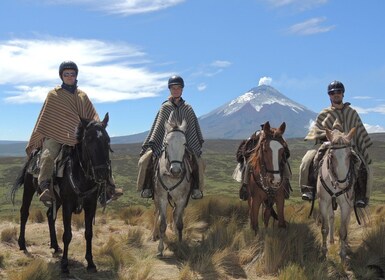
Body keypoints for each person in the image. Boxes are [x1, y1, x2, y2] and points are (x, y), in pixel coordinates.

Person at [26, 61, 123, 206]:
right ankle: (45, 186)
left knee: (99, 155)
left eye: (72, 74)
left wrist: (98, 126)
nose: (70, 76)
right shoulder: (53, 95)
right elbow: (46, 118)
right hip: (57, 135)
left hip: (80, 136)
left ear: (76, 75)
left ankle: (109, 186)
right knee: (48, 154)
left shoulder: (82, 95)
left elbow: (92, 115)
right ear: (61, 76)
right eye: (66, 74)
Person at [299, 80, 373, 208]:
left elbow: (359, 132)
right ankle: (309, 189)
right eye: (333, 93)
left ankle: (360, 196)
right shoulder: (324, 113)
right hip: (328, 145)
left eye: (338, 92)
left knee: (363, 166)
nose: (336, 94)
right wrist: (328, 137)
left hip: (349, 146)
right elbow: (317, 130)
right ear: (329, 95)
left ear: (343, 94)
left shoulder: (352, 113)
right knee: (307, 161)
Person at [137, 75, 205, 199]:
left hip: (184, 145)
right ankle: (147, 187)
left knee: (199, 163)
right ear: (170, 89)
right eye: (173, 88)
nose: (176, 90)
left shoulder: (188, 109)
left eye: (178, 88)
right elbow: (157, 127)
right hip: (164, 144)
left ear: (182, 89)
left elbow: (193, 128)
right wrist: (154, 142)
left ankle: (196, 188)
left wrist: (192, 145)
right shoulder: (165, 107)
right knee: (144, 161)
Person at [235, 125, 292, 201]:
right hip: (256, 156)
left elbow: (284, 149)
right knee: (248, 164)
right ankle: (245, 186)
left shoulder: (274, 136)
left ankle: (286, 185)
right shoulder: (256, 136)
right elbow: (247, 148)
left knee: (284, 164)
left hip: (269, 155)